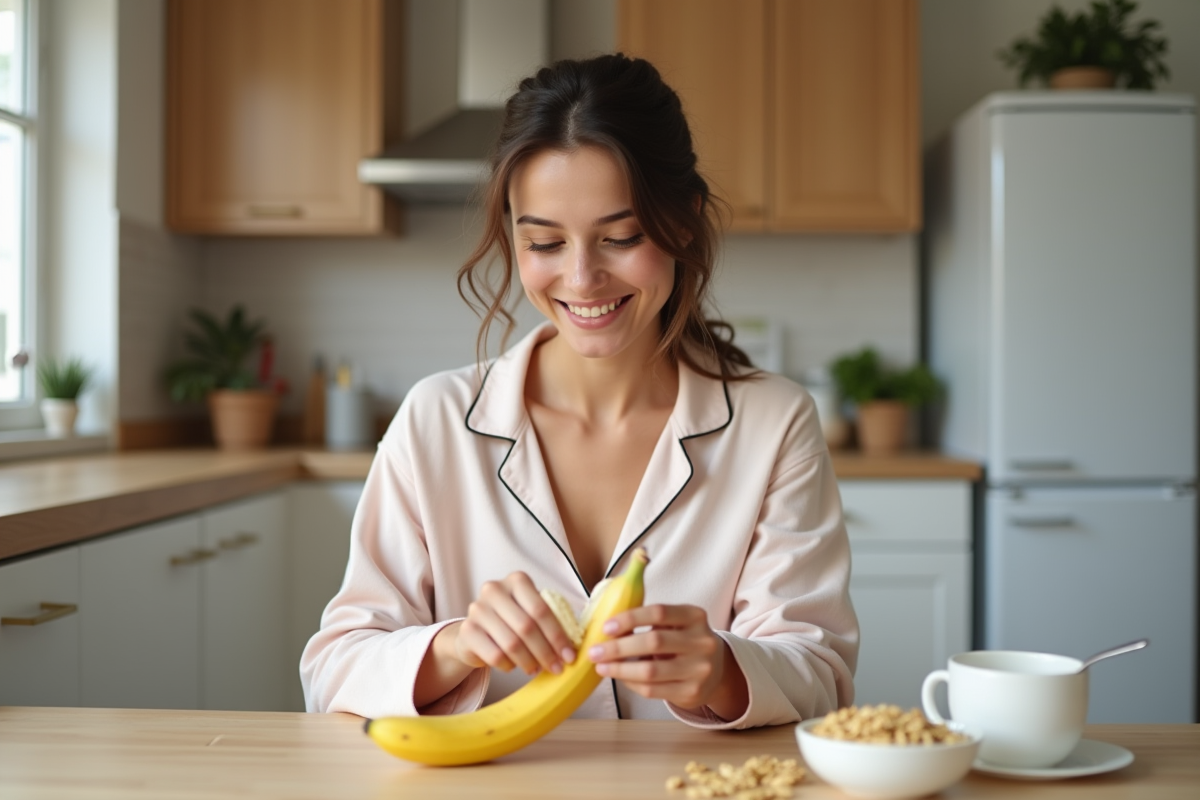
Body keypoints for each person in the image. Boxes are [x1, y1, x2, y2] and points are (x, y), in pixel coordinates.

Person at [301, 53, 858, 728]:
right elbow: (332, 672)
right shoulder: (436, 420)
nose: (582, 277)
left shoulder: (773, 423)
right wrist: (453, 647)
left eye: (619, 237)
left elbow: (820, 672)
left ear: (681, 222)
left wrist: (723, 670)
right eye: (544, 243)